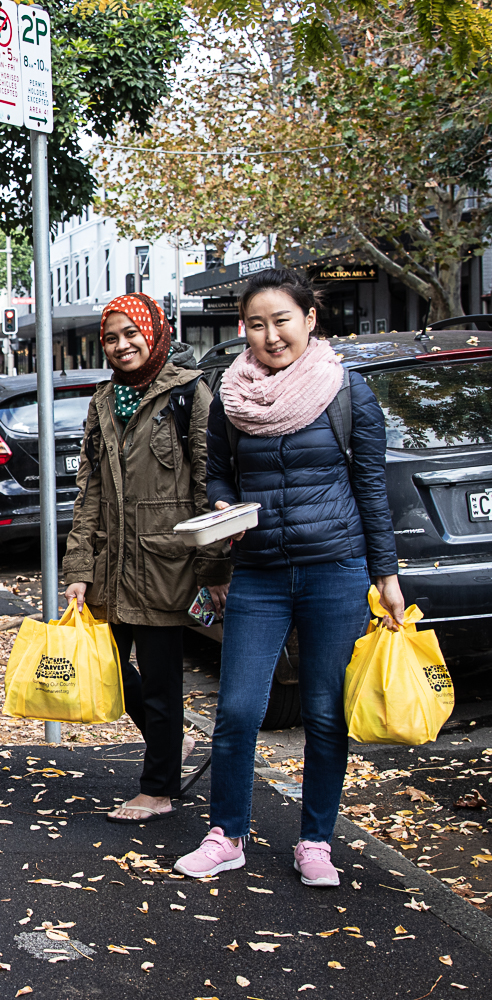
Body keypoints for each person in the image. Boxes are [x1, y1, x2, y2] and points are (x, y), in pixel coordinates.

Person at [175, 267, 404, 886]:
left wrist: (386, 575)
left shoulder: (346, 391)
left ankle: (316, 841)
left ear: (310, 318)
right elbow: (216, 474)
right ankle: (228, 834)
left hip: (335, 567)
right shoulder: (230, 396)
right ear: (242, 328)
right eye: (256, 323)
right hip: (260, 572)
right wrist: (223, 506)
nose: (271, 335)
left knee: (326, 712)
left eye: (282, 320)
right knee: (239, 708)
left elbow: (371, 489)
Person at [62, 293, 230, 824]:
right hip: (112, 565)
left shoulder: (189, 395)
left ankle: (158, 788)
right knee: (107, 667)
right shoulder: (103, 401)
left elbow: (207, 486)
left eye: (130, 333)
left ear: (154, 333)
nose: (121, 345)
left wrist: (214, 569)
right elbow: (88, 491)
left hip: (166, 564)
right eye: (111, 338)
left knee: (160, 684)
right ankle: (169, 744)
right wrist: (79, 570)